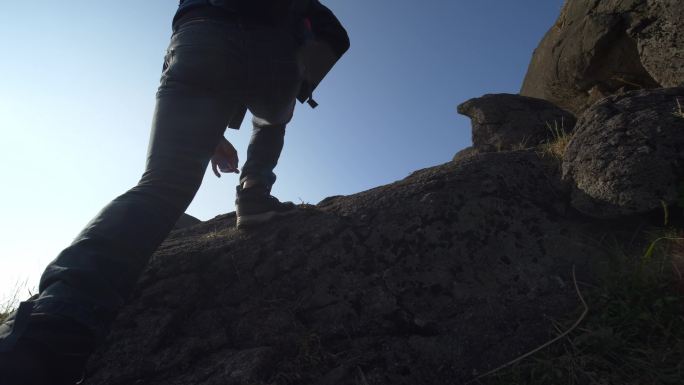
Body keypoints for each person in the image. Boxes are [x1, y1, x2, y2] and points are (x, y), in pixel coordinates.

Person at [0, 1, 349, 384]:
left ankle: (53, 327)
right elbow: (332, 33)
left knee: (163, 184)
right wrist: (296, 79)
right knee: (271, 120)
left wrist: (212, 122)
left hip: (201, 37)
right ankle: (254, 190)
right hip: (277, 50)